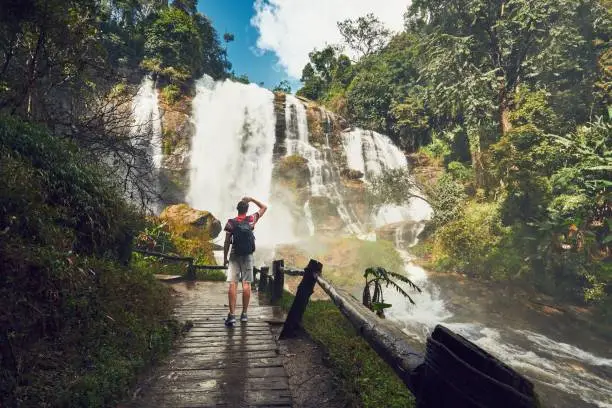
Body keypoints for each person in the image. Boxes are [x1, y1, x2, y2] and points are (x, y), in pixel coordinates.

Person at [223, 196, 267, 327]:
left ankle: (231, 316)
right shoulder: (251, 219)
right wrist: (252, 199)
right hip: (248, 255)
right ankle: (244, 314)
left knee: (233, 284)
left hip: (234, 254)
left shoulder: (231, 222)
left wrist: (225, 258)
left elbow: (226, 242)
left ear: (237, 209)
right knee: (246, 284)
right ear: (247, 209)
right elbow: (264, 207)